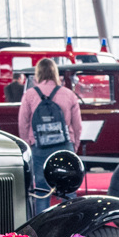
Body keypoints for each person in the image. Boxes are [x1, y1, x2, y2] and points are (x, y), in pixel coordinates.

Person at [18, 57, 82, 216]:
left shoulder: (30, 95)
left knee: (41, 189)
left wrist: (28, 144)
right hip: (64, 145)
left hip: (39, 147)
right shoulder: (69, 94)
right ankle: (71, 223)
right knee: (68, 188)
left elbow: (23, 123)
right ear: (55, 73)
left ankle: (43, 227)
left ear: (38, 73)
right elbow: (77, 124)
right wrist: (74, 144)